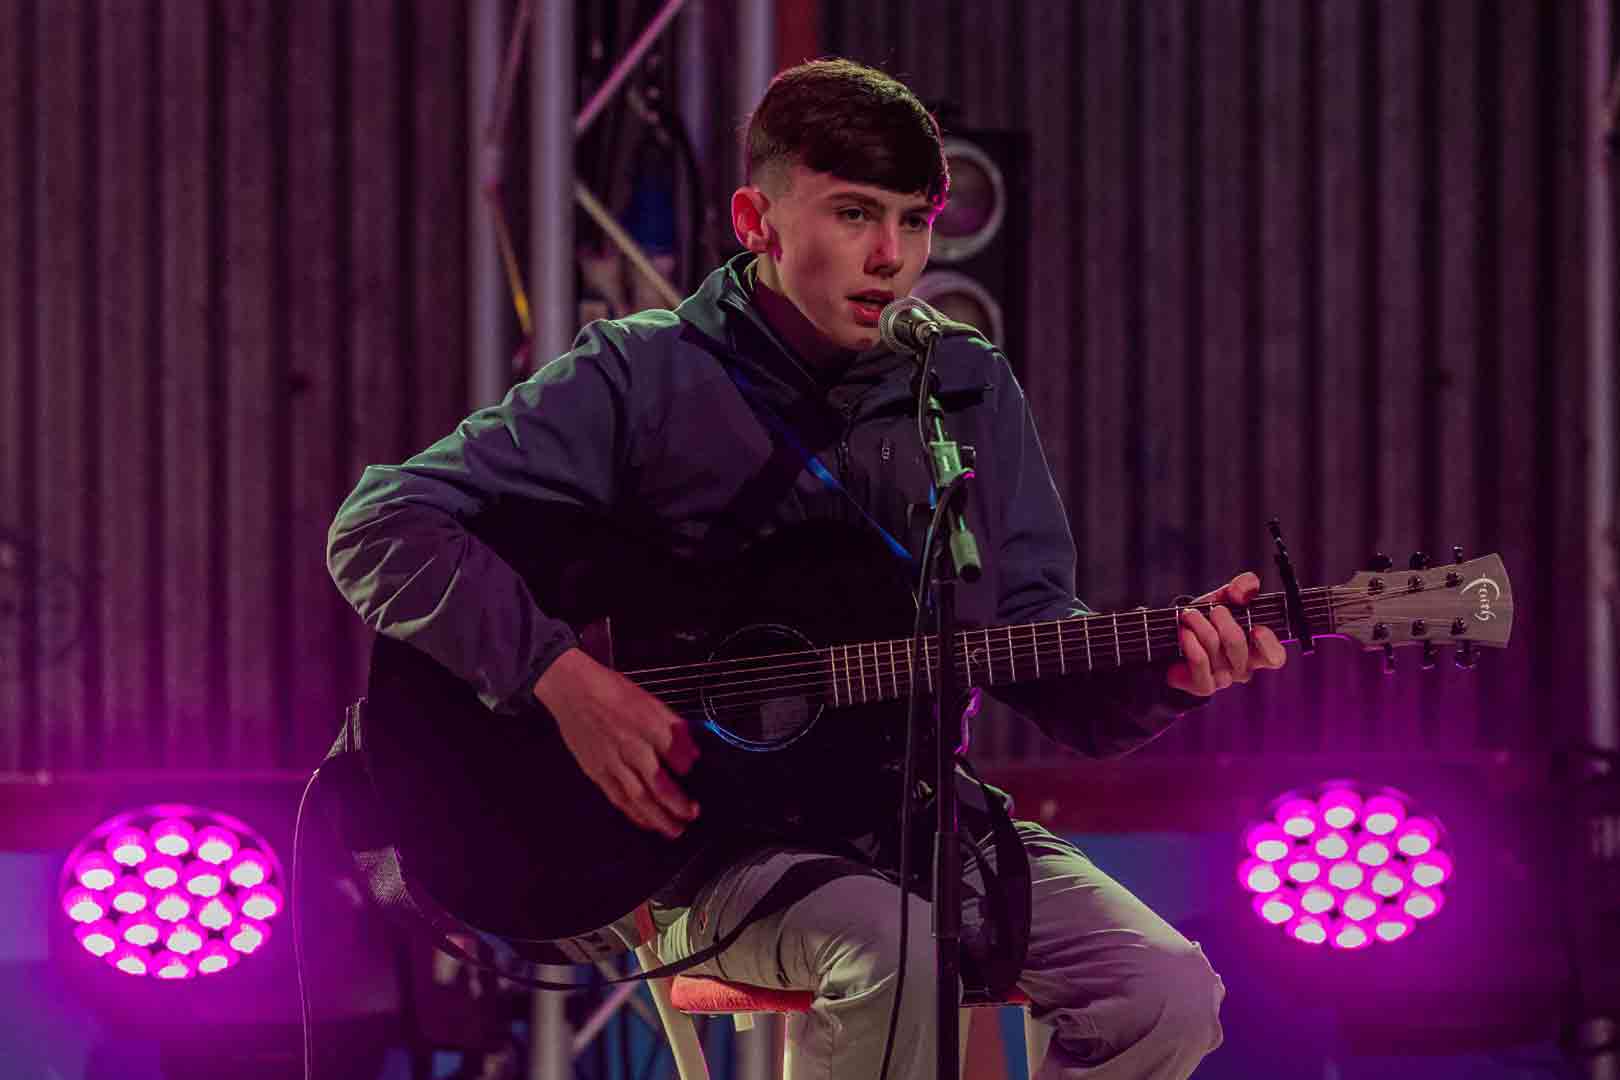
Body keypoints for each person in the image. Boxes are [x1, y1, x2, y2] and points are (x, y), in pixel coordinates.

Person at [327, 58, 1285, 1079]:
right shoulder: (643, 374)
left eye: (914, 222)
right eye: (853, 214)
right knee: (898, 957)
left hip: (918, 819)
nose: (890, 257)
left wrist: (1169, 676)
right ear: (758, 219)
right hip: (711, 843)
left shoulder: (963, 386)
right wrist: (563, 681)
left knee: (1165, 988)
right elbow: (381, 524)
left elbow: (1027, 628)